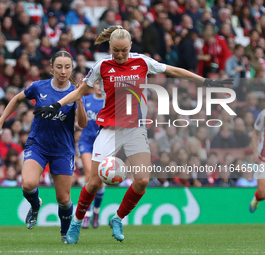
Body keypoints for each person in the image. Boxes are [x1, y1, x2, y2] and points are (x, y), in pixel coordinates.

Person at [34, 25, 233, 244]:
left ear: (130, 46)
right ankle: (76, 223)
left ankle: (118, 218)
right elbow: (81, 90)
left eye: (123, 51)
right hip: (109, 129)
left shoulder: (142, 62)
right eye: (115, 51)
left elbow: (173, 71)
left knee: (142, 181)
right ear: (110, 46)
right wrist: (57, 104)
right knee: (93, 183)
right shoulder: (102, 66)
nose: (119, 55)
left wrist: (205, 82)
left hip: (135, 129)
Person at [0, 51, 87, 243]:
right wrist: (0, 122)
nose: (63, 71)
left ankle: (64, 234)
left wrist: (80, 98)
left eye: (67, 67)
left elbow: (82, 124)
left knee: (64, 199)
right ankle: (35, 206)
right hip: (38, 145)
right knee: (27, 184)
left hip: (62, 150)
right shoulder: (39, 86)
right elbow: (17, 99)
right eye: (59, 66)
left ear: (72, 68)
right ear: (51, 68)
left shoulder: (75, 91)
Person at [78, 81, 104, 229]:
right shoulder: (86, 99)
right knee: (89, 175)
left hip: (103, 143)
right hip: (86, 143)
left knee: (100, 180)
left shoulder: (109, 101)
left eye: (102, 83)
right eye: (97, 83)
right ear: (93, 85)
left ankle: (96, 212)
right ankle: (86, 214)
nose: (99, 86)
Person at [249, 108, 265, 213]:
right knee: (262, 193)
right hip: (263, 156)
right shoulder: (263, 114)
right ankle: (256, 198)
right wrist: (255, 152)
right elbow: (254, 133)